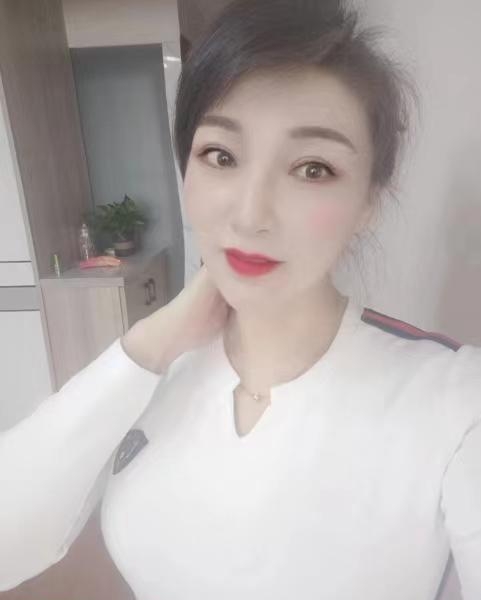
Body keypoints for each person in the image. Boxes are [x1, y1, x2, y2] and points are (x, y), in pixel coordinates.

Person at [1, 0, 480, 598]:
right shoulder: (150, 372)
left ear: (369, 202)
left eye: (312, 168)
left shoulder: (455, 399)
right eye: (221, 156)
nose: (250, 214)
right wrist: (147, 345)